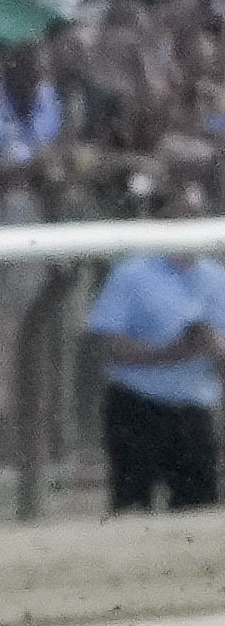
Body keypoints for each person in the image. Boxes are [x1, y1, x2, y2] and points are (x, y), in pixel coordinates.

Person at [84, 220, 221, 514]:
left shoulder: (216, 278)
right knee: (131, 505)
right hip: (136, 406)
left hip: (192, 410)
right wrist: (171, 352)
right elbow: (108, 343)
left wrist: (212, 346)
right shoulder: (132, 273)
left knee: (199, 506)